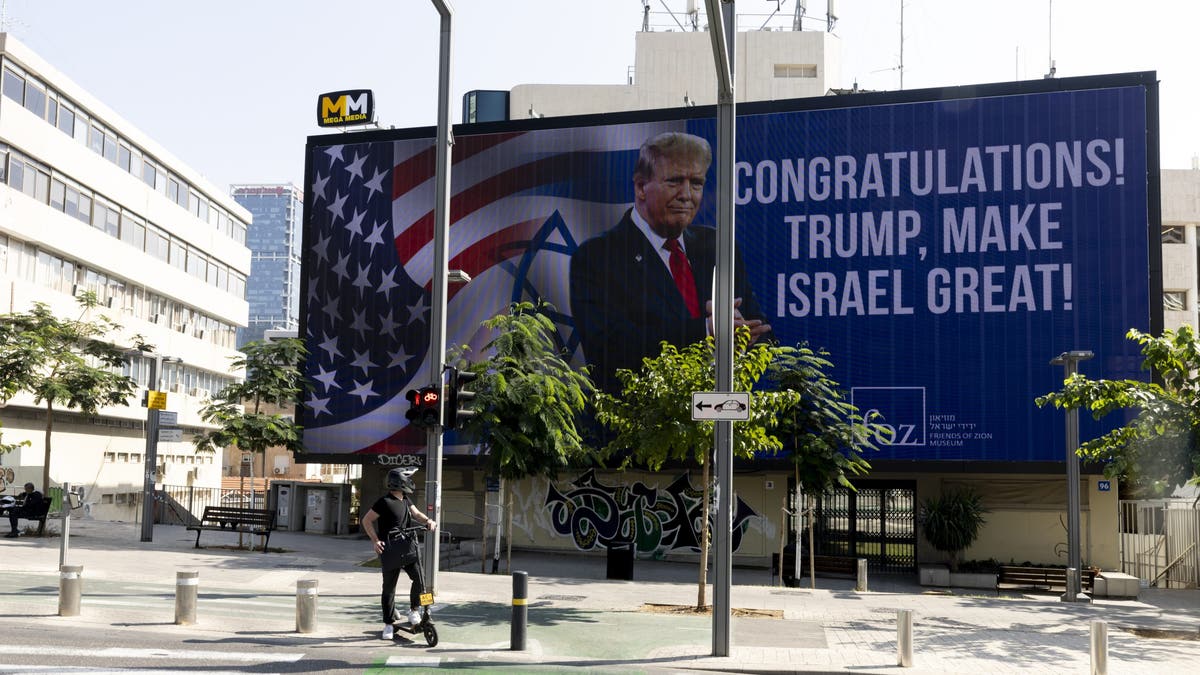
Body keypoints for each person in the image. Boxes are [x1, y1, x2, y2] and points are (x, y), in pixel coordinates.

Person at [570, 131, 773, 394]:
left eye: (697, 183)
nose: (686, 195)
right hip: (641, 426)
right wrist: (706, 331)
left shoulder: (717, 246)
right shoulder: (597, 256)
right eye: (675, 181)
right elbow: (610, 349)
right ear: (641, 187)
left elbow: (762, 331)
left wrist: (746, 335)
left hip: (720, 419)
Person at [361, 467, 437, 640]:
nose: (411, 482)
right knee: (389, 588)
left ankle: (414, 610)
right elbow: (366, 520)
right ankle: (388, 624)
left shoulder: (406, 500)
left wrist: (429, 521)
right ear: (401, 481)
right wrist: (375, 540)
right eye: (408, 478)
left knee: (420, 579)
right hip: (390, 549)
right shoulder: (384, 502)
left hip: (408, 546)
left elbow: (416, 514)